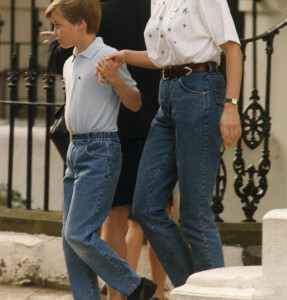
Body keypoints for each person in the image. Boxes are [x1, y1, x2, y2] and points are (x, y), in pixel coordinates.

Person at [95, 0, 243, 288]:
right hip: (168, 94)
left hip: (200, 90)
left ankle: (211, 293)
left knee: (194, 214)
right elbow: (164, 57)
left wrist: (231, 106)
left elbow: (232, 48)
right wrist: (125, 56)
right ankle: (194, 289)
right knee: (146, 205)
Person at [41, 0, 171, 299]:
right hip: (78, 149)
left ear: (81, 24)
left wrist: (113, 77)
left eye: (60, 25)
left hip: (102, 148)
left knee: (81, 232)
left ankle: (135, 285)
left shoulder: (107, 55)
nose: (56, 32)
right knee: (69, 237)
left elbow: (135, 101)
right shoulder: (71, 61)